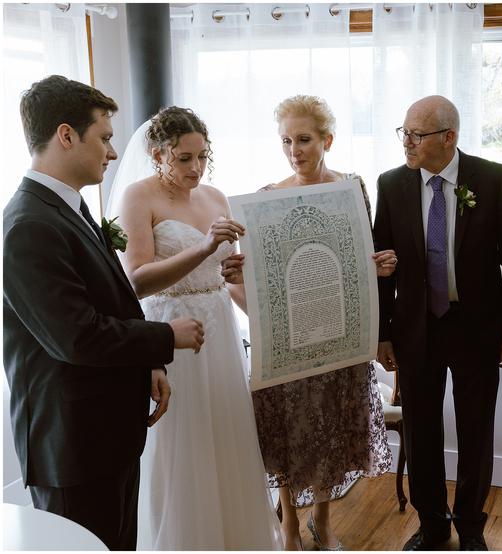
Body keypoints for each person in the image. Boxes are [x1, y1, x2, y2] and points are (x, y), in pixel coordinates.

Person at [3, 76, 204, 551]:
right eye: (105, 138)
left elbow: (109, 298)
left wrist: (147, 364)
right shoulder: (28, 224)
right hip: (72, 447)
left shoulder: (66, 209)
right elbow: (76, 337)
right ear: (67, 135)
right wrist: (163, 337)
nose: (113, 153)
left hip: (104, 435)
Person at [223, 94, 394, 551]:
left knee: (332, 431)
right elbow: (257, 284)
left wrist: (376, 266)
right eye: (286, 141)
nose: (294, 150)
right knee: (287, 434)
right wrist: (245, 287)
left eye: (303, 139)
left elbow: (356, 260)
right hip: (288, 346)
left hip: (338, 341)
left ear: (327, 140)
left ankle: (321, 519)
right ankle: (290, 526)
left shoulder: (351, 190)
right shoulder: (264, 200)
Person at [110, 106, 282, 549]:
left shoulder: (216, 197)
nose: (196, 167)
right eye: (184, 158)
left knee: (226, 436)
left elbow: (228, 278)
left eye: (202, 156)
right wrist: (206, 245)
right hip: (171, 328)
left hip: (221, 330)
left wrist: (262, 316)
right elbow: (138, 278)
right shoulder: (137, 196)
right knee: (181, 444)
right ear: (157, 153)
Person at [372, 95, 502, 551]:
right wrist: (384, 331)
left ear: (449, 138)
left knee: (476, 428)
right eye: (403, 132)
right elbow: (384, 261)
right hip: (415, 328)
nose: (407, 142)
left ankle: (471, 528)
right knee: (421, 430)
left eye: (416, 135)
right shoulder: (392, 183)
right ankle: (433, 526)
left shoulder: (493, 178)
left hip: (478, 326)